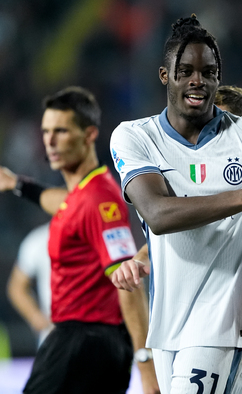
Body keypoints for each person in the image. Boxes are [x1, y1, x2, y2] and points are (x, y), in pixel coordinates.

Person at [108, 15, 242, 394]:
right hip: (168, 326)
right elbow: (157, 215)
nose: (197, 80)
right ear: (164, 75)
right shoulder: (134, 137)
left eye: (208, 71)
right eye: (185, 70)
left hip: (225, 325)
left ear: (219, 77)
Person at [0, 87, 159, 394]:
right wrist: (17, 184)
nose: (50, 140)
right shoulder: (84, 194)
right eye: (46, 131)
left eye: (61, 131)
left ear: (88, 136)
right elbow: (64, 202)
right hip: (89, 342)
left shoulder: (99, 201)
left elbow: (127, 280)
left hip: (84, 343)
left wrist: (145, 364)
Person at [7, 223, 52, 346]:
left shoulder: (98, 232)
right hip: (55, 338)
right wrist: (36, 317)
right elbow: (17, 287)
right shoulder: (40, 239)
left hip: (98, 332)